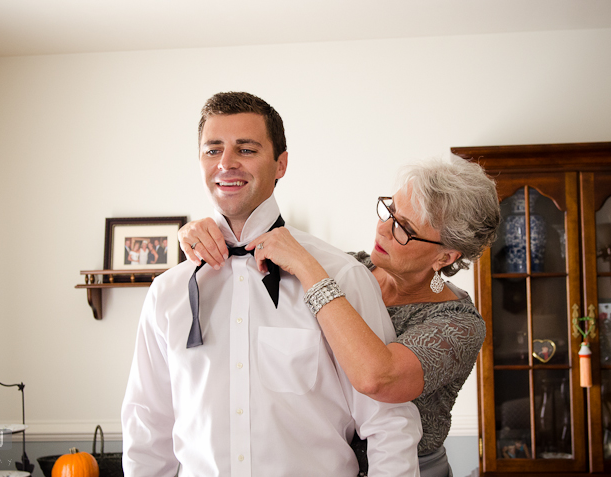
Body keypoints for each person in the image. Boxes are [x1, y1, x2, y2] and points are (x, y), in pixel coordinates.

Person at [121, 91, 422, 477]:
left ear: (280, 164)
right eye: (213, 150)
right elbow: (148, 427)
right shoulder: (168, 292)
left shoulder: (341, 276)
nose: (226, 163)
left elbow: (389, 423)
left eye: (245, 149)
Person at [178, 155, 500, 477]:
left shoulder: (459, 324)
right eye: (390, 211)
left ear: (446, 255)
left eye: (404, 228)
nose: (384, 229)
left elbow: (377, 378)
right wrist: (207, 232)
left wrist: (306, 266)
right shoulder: (349, 271)